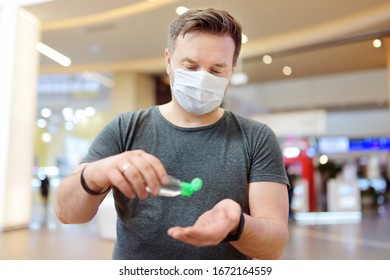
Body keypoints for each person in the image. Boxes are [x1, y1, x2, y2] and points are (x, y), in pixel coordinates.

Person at [55, 8, 290, 260]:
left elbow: (273, 246)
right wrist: (95, 174)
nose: (201, 79)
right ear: (169, 62)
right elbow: (67, 213)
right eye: (190, 66)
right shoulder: (126, 128)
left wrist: (237, 225)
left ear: (232, 69)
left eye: (216, 70)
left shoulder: (256, 138)